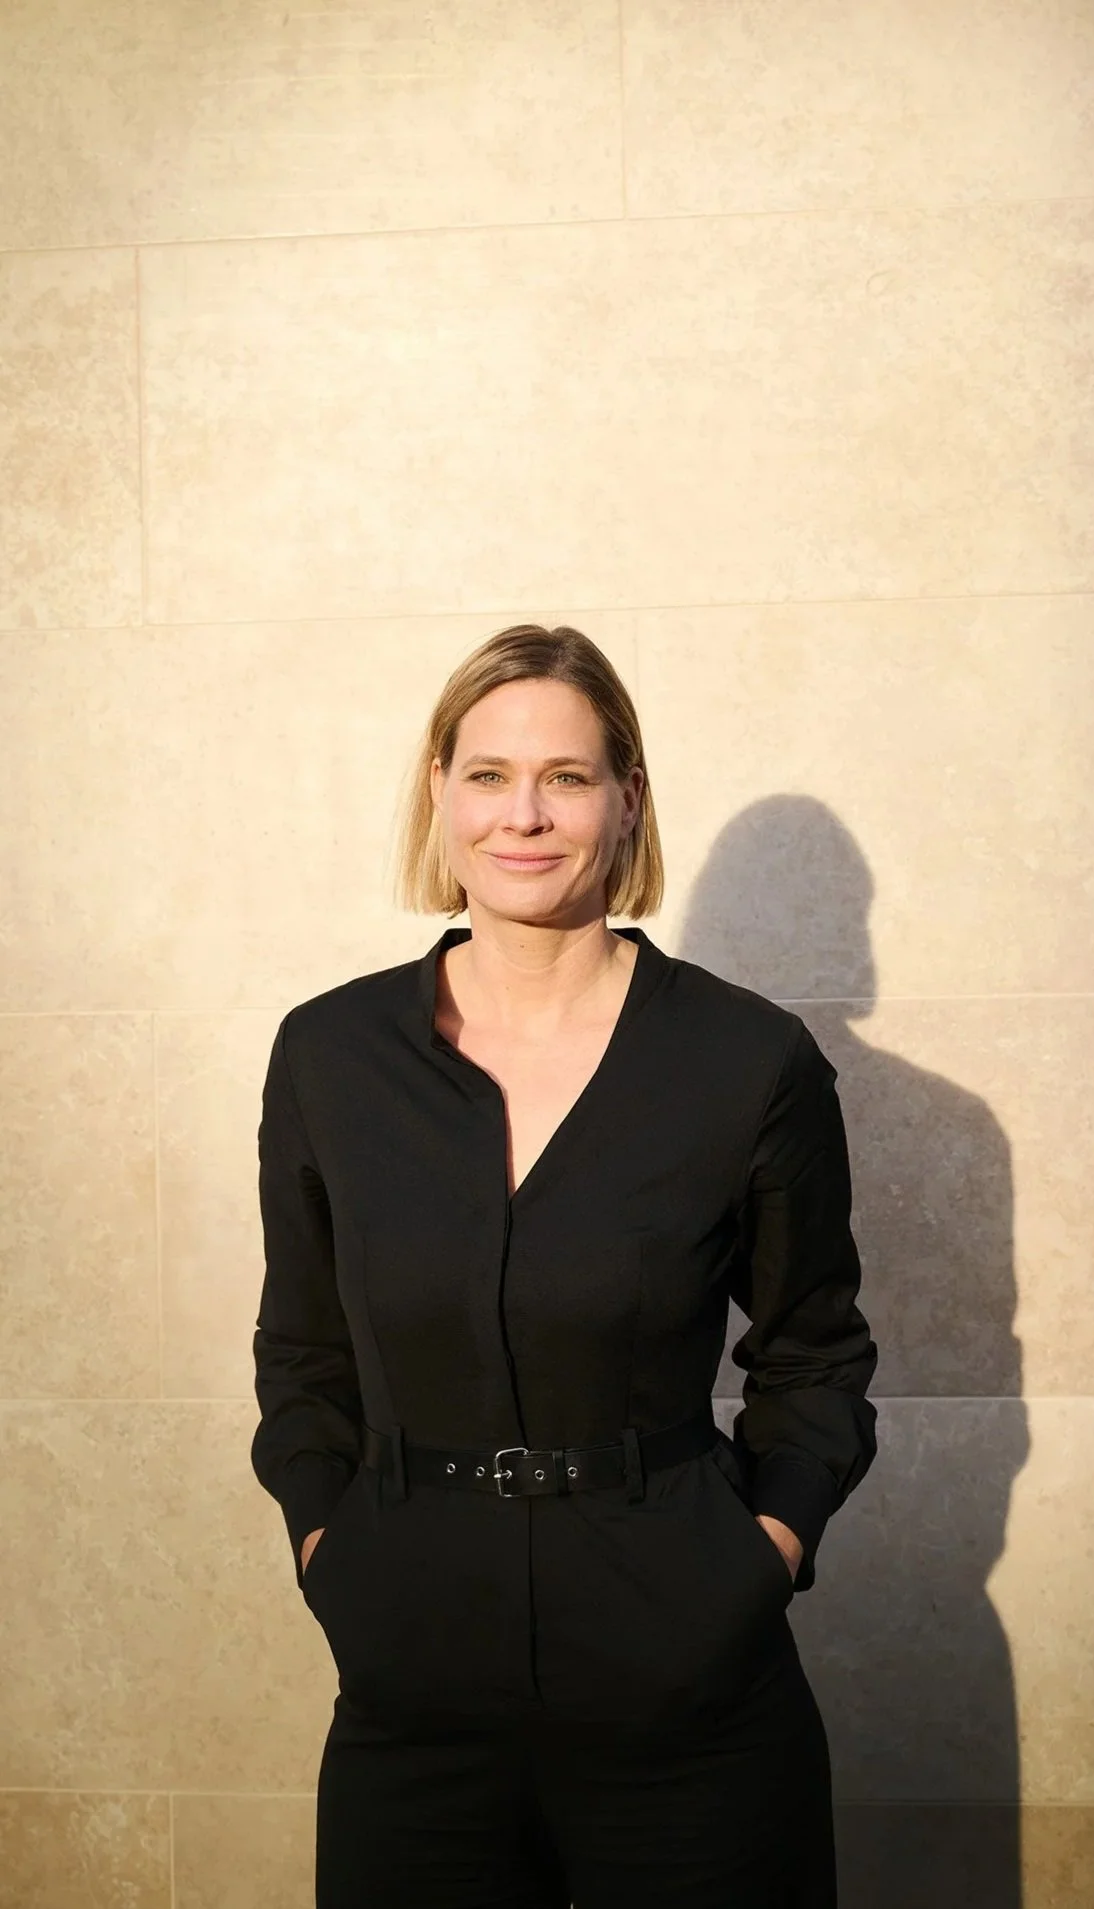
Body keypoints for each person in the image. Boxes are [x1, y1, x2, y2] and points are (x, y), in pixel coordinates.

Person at [249, 622, 878, 1907]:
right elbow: (304, 1349)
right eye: (487, 774)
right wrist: (330, 1544)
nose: (523, 815)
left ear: (627, 799)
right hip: (411, 1682)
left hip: (690, 1688)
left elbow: (815, 1350)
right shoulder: (328, 1055)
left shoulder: (749, 1061)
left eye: (568, 777)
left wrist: (763, 1549)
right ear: (438, 792)